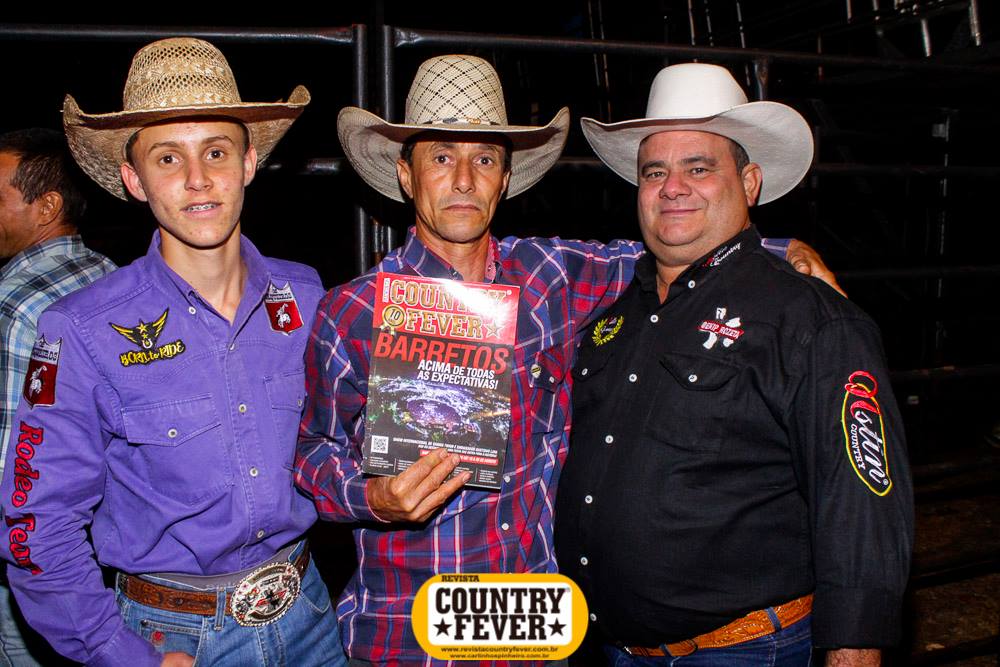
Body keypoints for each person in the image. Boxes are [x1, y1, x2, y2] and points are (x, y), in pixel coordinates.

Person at [294, 54, 840, 665]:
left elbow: (677, 245)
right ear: (405, 175)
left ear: (505, 178)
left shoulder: (551, 275)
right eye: (441, 158)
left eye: (484, 160)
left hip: (537, 632)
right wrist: (374, 499)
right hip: (409, 631)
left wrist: (782, 251)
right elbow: (312, 453)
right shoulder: (353, 311)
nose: (464, 181)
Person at [554, 63, 914, 666]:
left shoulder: (811, 319)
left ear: (748, 183)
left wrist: (854, 653)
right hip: (613, 649)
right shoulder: (611, 317)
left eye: (698, 168)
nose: (673, 187)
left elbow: (861, 506)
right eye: (655, 172)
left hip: (744, 650)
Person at [0, 38, 345, 667]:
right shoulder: (79, 329)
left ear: (248, 163)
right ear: (134, 180)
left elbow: (337, 442)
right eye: (167, 158)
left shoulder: (305, 295)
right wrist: (116, 651)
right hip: (174, 640)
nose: (197, 178)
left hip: (311, 615)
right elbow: (36, 523)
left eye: (216, 151)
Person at [0, 128, 116, 666]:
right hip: (102, 547)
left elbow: (10, 465)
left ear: (46, 206)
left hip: (36, 555)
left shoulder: (13, 304)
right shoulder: (111, 277)